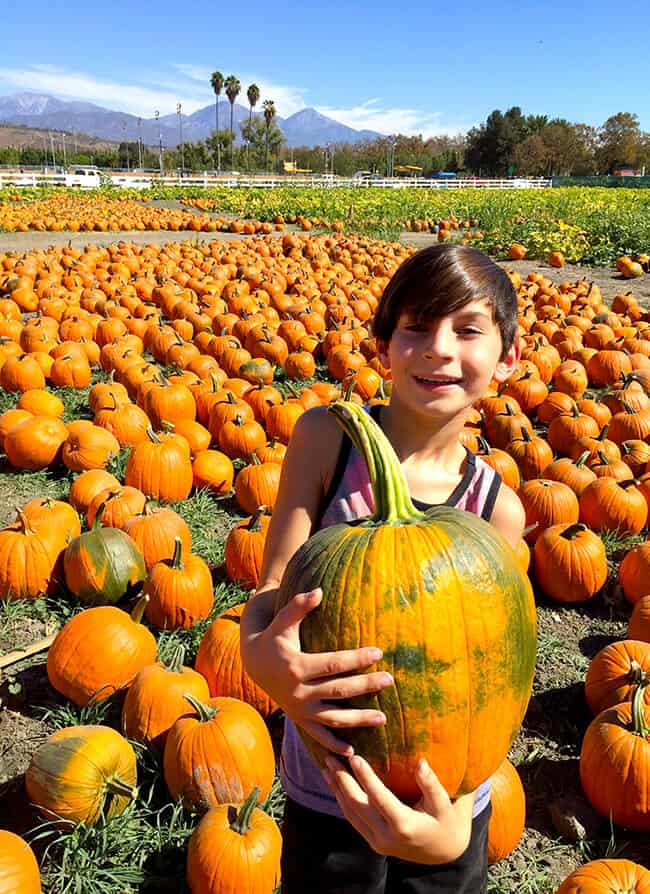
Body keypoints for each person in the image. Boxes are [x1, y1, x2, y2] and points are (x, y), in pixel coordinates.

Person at [240, 243, 525, 893]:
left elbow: (498, 676)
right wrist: (266, 665)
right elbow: (268, 590)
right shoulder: (325, 441)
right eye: (417, 327)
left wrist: (454, 828)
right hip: (329, 791)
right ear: (383, 346)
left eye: (467, 329)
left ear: (508, 358)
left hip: (446, 808)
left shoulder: (496, 512)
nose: (437, 347)